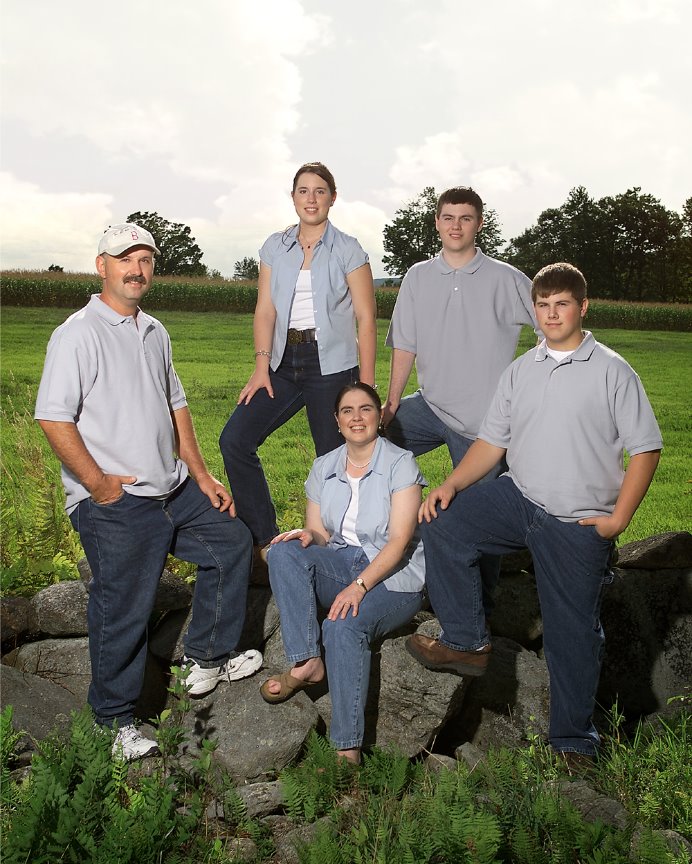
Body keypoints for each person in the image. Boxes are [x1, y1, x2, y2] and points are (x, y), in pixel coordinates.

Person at [406, 263, 662, 765]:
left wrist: (618, 522)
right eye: (542, 306)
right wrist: (452, 483)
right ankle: (466, 641)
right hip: (519, 499)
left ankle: (572, 739)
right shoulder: (522, 369)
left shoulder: (612, 370)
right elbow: (491, 442)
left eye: (561, 304)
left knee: (572, 633)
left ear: (582, 307)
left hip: (578, 520)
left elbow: (646, 450)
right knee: (443, 520)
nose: (550, 314)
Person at [35, 223, 263, 761]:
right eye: (125, 260)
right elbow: (52, 417)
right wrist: (96, 484)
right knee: (123, 606)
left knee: (230, 543)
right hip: (117, 501)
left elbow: (175, 404)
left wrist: (201, 475)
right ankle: (112, 723)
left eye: (145, 260)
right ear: (102, 266)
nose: (137, 270)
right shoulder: (78, 333)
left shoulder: (155, 331)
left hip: (173, 488)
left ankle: (207, 655)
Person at [383, 186, 540, 611]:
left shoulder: (506, 278)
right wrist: (393, 403)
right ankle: (388, 552)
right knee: (369, 447)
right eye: (448, 217)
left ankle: (479, 612)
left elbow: (552, 324)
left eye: (465, 218)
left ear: (479, 224)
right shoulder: (418, 276)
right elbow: (404, 344)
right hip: (430, 406)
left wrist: (533, 382)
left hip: (484, 426)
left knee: (477, 520)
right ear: (436, 222)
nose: (455, 225)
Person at [219, 162, 377, 567]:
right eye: (303, 191)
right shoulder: (275, 246)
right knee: (235, 439)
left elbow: (365, 318)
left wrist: (366, 385)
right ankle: (264, 543)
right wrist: (261, 366)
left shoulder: (348, 249)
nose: (311, 198)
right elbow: (265, 310)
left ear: (332, 198)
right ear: (293, 198)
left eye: (320, 191)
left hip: (333, 366)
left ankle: (339, 551)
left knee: (335, 459)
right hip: (283, 364)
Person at [259, 383, 426, 765]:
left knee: (343, 626)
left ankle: (347, 748)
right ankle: (307, 661)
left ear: (379, 417)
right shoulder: (324, 466)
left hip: (393, 576)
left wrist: (359, 586)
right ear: (336, 421)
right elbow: (318, 533)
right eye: (347, 410)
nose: (356, 417)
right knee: (284, 549)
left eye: (366, 409)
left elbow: (399, 542)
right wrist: (306, 535)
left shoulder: (401, 463)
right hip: (341, 560)